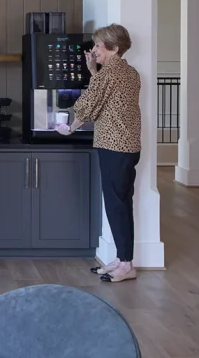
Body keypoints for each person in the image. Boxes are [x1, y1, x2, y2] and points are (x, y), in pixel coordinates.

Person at [56, 23, 141, 283]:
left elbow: (89, 106)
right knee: (122, 203)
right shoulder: (129, 72)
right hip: (129, 146)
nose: (93, 50)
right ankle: (123, 258)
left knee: (117, 205)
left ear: (113, 48)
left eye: (97, 46)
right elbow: (105, 96)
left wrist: (69, 128)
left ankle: (126, 265)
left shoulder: (109, 75)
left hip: (113, 147)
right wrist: (94, 71)